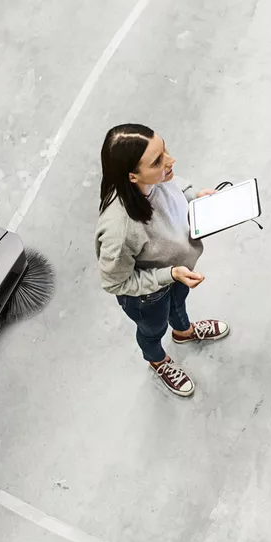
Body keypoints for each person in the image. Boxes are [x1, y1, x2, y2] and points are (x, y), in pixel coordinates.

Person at [94, 123, 230, 397]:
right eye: (157, 161)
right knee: (151, 330)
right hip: (148, 296)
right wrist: (169, 275)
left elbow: (175, 187)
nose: (170, 161)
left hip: (178, 272)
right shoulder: (120, 230)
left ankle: (183, 332)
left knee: (178, 304)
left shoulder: (158, 180)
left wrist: (194, 196)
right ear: (133, 176)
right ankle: (157, 359)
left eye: (164, 150)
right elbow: (115, 282)